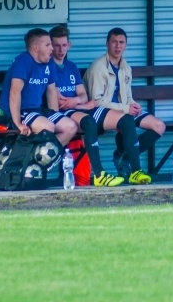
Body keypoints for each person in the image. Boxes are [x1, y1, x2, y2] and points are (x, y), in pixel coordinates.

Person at [48, 25, 139, 187]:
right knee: (89, 122)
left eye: (63, 45)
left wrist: (75, 101)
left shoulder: (71, 66)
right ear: (50, 45)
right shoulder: (47, 67)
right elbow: (58, 101)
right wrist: (79, 101)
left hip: (77, 109)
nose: (60, 49)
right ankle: (99, 174)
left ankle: (136, 172)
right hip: (61, 113)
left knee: (126, 120)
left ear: (69, 45)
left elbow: (83, 95)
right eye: (56, 45)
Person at [84, 27, 165, 185]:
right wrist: (126, 109)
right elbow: (96, 101)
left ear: (126, 45)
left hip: (123, 110)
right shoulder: (98, 68)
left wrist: (133, 105)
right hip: (99, 112)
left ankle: (124, 157)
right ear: (107, 44)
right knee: (127, 120)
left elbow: (127, 96)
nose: (117, 46)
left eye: (121, 42)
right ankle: (136, 171)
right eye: (114, 42)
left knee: (159, 126)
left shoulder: (125, 67)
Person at [0, 28, 78, 147]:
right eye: (48, 45)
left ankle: (43, 160)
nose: (52, 48)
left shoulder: (49, 62)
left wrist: (55, 115)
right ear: (36, 47)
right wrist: (17, 123)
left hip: (37, 110)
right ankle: (33, 161)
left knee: (70, 127)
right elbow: (14, 92)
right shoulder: (23, 61)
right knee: (48, 127)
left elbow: (51, 92)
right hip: (20, 111)